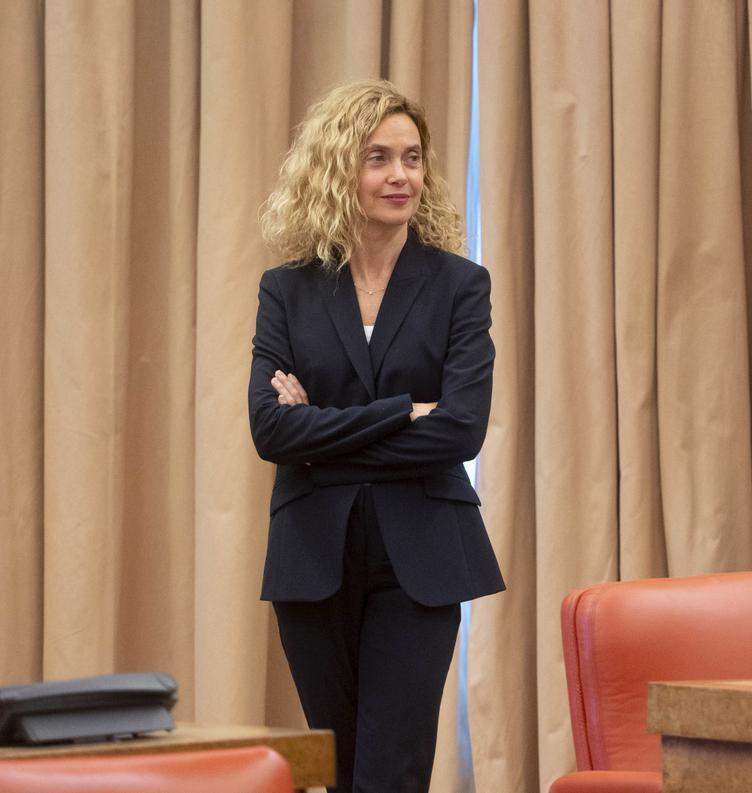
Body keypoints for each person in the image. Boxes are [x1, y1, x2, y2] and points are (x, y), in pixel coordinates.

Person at [249, 79, 504, 793]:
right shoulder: (287, 290)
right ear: (337, 170)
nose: (401, 175)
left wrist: (320, 432)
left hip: (421, 557)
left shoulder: (460, 285)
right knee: (339, 770)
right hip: (312, 555)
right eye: (379, 158)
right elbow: (271, 427)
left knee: (389, 773)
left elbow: (460, 428)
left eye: (413, 157)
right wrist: (400, 412)